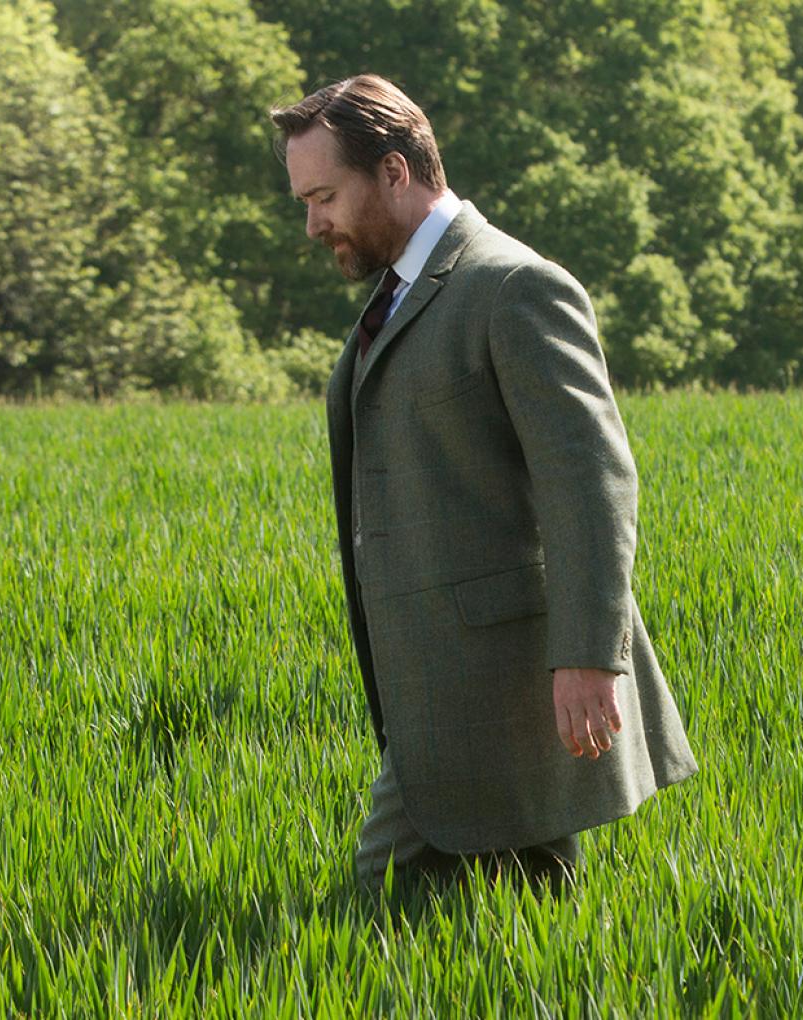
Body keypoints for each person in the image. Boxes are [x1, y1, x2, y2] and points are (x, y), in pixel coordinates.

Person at [270, 74, 695, 890]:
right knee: (516, 908)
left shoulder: (512, 287)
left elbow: (591, 480)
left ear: (394, 171)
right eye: (304, 201)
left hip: (506, 679)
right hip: (436, 683)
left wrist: (586, 656)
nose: (314, 222)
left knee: (384, 899)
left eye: (323, 196)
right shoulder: (396, 296)